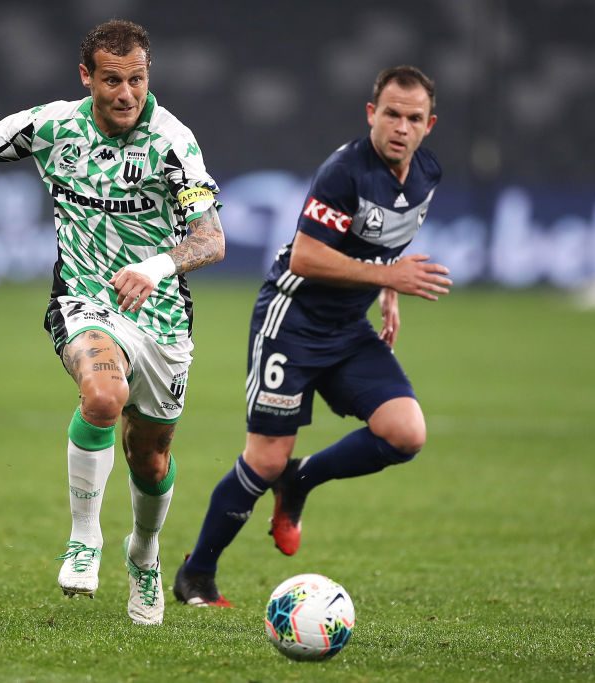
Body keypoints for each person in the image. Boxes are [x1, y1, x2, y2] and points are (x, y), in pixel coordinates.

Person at [0, 19, 225, 625]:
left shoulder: (175, 143)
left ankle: (144, 555)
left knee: (150, 458)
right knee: (102, 395)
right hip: (86, 299)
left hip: (162, 315)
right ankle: (84, 538)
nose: (127, 94)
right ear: (87, 78)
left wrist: (154, 265)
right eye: (113, 80)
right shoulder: (53, 126)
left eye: (138, 79)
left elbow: (210, 240)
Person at [172, 65, 451, 607]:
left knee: (405, 432)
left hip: (348, 328)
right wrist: (388, 277)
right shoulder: (344, 172)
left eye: (413, 118)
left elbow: (384, 237)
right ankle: (197, 575)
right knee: (265, 460)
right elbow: (306, 255)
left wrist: (387, 288)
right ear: (372, 113)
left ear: (429, 125)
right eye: (391, 113)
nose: (400, 126)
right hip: (291, 323)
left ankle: (302, 482)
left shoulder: (427, 174)